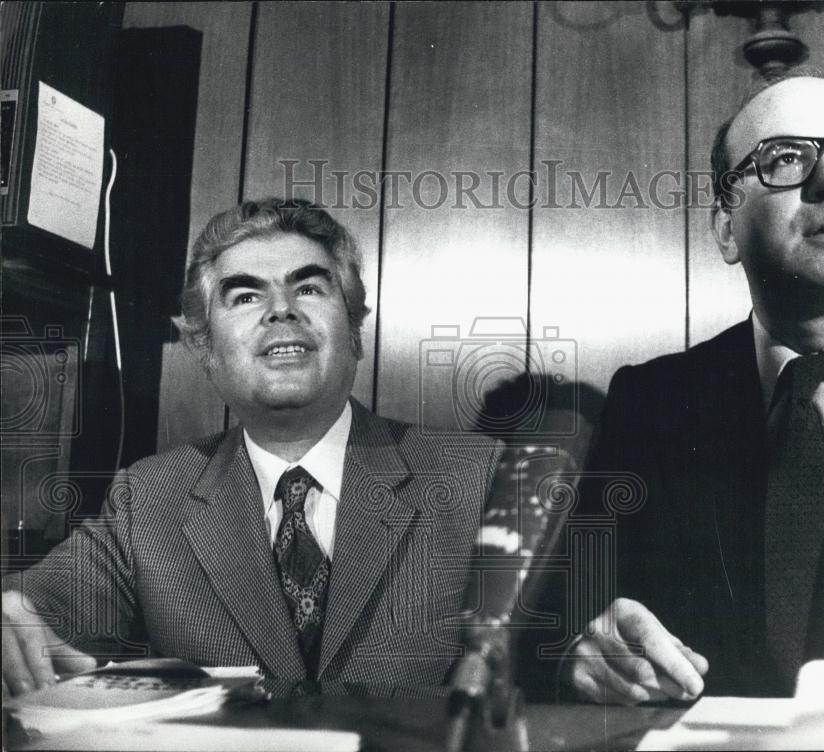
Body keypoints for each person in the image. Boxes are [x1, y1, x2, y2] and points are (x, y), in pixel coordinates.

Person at [555, 70, 824, 702]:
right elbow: (563, 623)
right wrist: (585, 652)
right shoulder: (651, 402)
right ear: (725, 229)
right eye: (785, 158)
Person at [2, 198, 502, 697]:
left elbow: (560, 651)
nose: (281, 309)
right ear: (205, 347)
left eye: (308, 287)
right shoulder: (148, 500)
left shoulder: (478, 479)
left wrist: (581, 661)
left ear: (353, 331)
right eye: (244, 297)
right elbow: (35, 606)